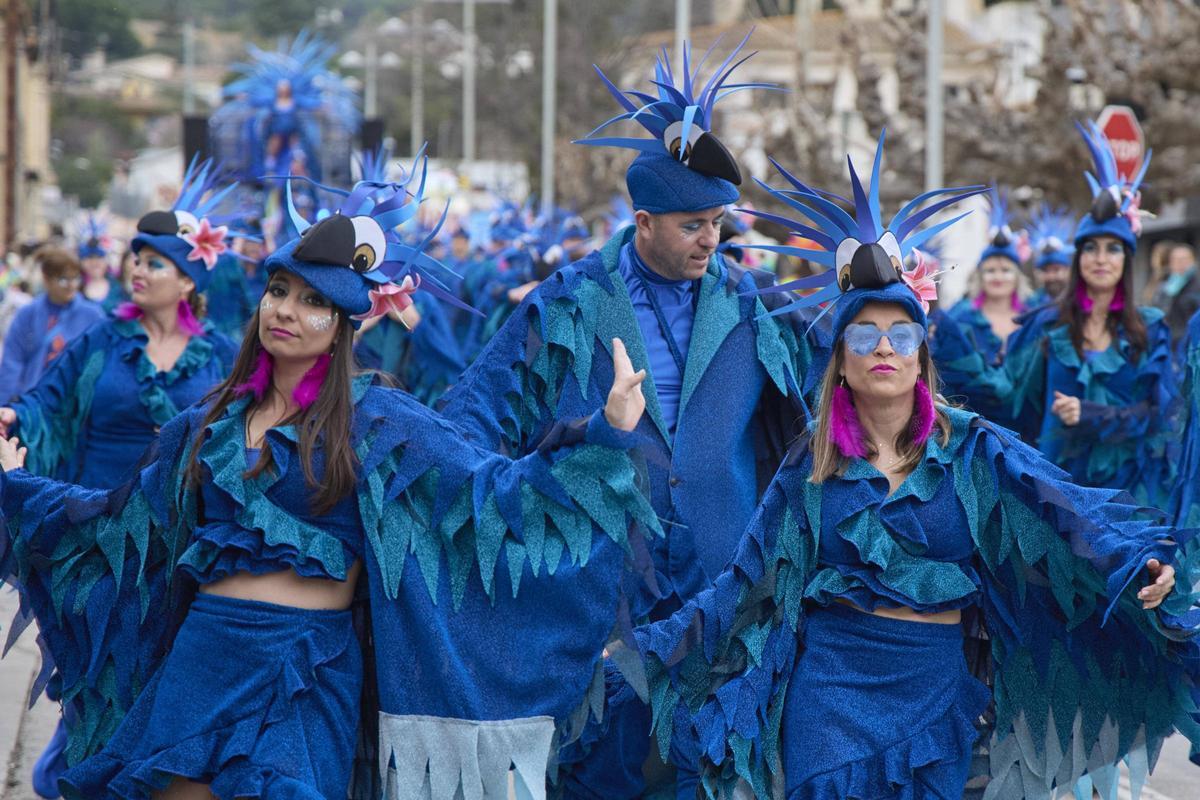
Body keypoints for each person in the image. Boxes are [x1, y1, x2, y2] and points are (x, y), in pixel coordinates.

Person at [0, 161, 659, 800]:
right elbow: (116, 521)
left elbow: (492, 498)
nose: (286, 310)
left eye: (313, 300)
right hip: (204, 656)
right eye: (279, 290)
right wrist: (16, 484)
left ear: (344, 325)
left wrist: (602, 433)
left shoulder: (381, 421)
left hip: (307, 668)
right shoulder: (209, 423)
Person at [628, 136, 1198, 799]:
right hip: (829, 699)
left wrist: (1136, 562)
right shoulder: (812, 462)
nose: (884, 349)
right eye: (863, 336)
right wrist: (646, 652)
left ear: (922, 357)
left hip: (935, 694)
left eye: (901, 335)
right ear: (841, 361)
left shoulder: (973, 448)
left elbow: (1063, 516)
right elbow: (747, 580)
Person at [440, 35, 821, 797]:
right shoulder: (567, 299)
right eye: (692, 225)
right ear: (644, 221)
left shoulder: (755, 303)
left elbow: (838, 399)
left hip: (725, 590)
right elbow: (471, 417)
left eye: (718, 222)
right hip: (602, 593)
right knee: (599, 770)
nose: (712, 240)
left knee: (713, 773)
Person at [0, 158, 241, 491]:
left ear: (187, 281)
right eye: (137, 261)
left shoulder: (221, 353)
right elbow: (51, 398)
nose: (137, 271)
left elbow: (242, 430)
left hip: (181, 510)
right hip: (98, 504)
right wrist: (16, 415)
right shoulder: (103, 338)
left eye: (154, 264)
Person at [999, 122, 1176, 507]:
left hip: (1129, 495)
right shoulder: (1047, 324)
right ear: (1078, 257)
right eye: (1091, 248)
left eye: (1113, 249)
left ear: (1126, 259)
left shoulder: (1149, 328)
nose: (1100, 259)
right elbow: (1009, 402)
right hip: (1057, 494)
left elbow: (1159, 415)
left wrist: (1092, 413)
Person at [931, 189, 1028, 425]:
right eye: (990, 270)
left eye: (1005, 270)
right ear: (980, 276)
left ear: (1017, 277)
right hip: (973, 421)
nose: (998, 277)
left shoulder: (1031, 318)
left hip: (1024, 422)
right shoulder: (961, 316)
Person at [0, 246, 104, 403]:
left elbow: (100, 362)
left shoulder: (93, 315)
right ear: (46, 279)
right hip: (31, 401)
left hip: (73, 403)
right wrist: (4, 403)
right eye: (63, 280)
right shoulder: (28, 314)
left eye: (75, 278)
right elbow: (12, 361)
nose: (71, 285)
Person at [1026, 203, 1074, 308]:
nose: (1051, 277)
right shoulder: (1030, 306)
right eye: (1045, 271)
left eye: (1056, 270)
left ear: (1068, 271)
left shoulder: (1080, 303)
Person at [76, 213, 126, 313]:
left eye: (99, 257)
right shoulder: (74, 288)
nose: (95, 262)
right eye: (89, 257)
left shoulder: (119, 287)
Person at [1153, 242, 1199, 347]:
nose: (1180, 263)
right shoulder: (1164, 288)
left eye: (1184, 259)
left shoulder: (1197, 286)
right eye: (1176, 260)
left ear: (1193, 261)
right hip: (1168, 342)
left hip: (1191, 344)